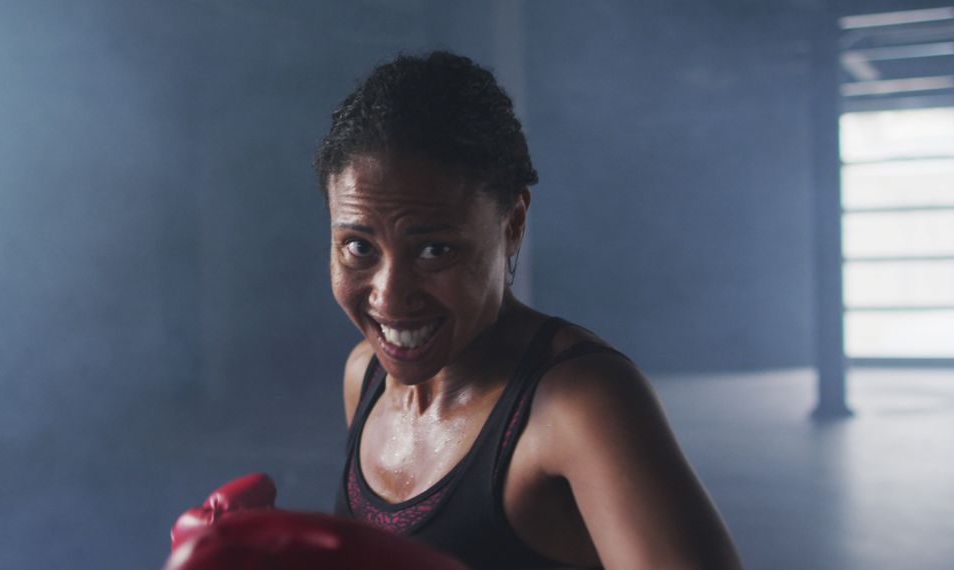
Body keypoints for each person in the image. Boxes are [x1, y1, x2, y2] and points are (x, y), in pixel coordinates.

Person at [315, 51, 742, 570]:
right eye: (358, 247)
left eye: (434, 250)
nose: (388, 296)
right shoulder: (366, 375)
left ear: (513, 222)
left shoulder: (577, 403)